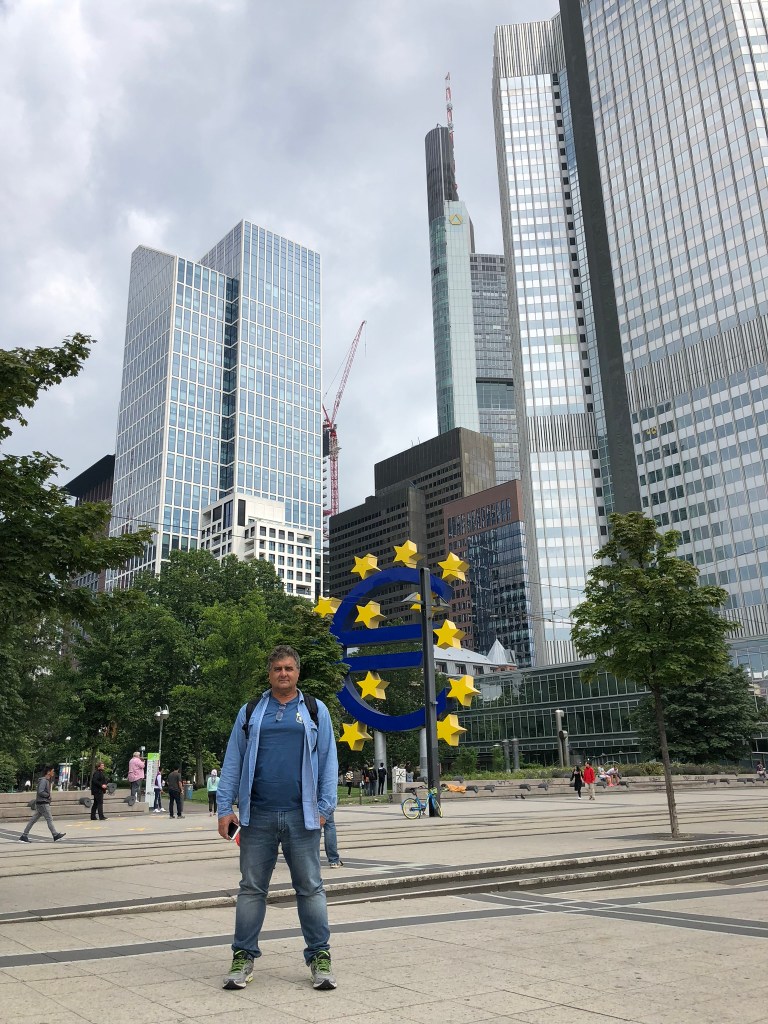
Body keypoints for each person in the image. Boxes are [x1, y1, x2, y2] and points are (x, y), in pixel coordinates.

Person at [218, 644, 338, 991]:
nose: (283, 673)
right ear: (269, 673)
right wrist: (225, 808)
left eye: (289, 668)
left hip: (303, 816)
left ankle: (319, 956)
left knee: (310, 887)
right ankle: (243, 957)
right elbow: (233, 760)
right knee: (251, 889)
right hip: (257, 816)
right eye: (277, 669)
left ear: (297, 672)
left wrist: (325, 808)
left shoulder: (315, 710)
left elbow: (328, 759)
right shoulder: (251, 711)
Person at [19, 766, 65, 843]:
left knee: (33, 820)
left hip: (40, 803)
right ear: (48, 772)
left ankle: (24, 836)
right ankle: (55, 835)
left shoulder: (45, 780)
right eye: (52, 771)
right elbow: (40, 791)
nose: (53, 773)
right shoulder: (44, 781)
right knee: (49, 819)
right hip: (43, 803)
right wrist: (48, 795)